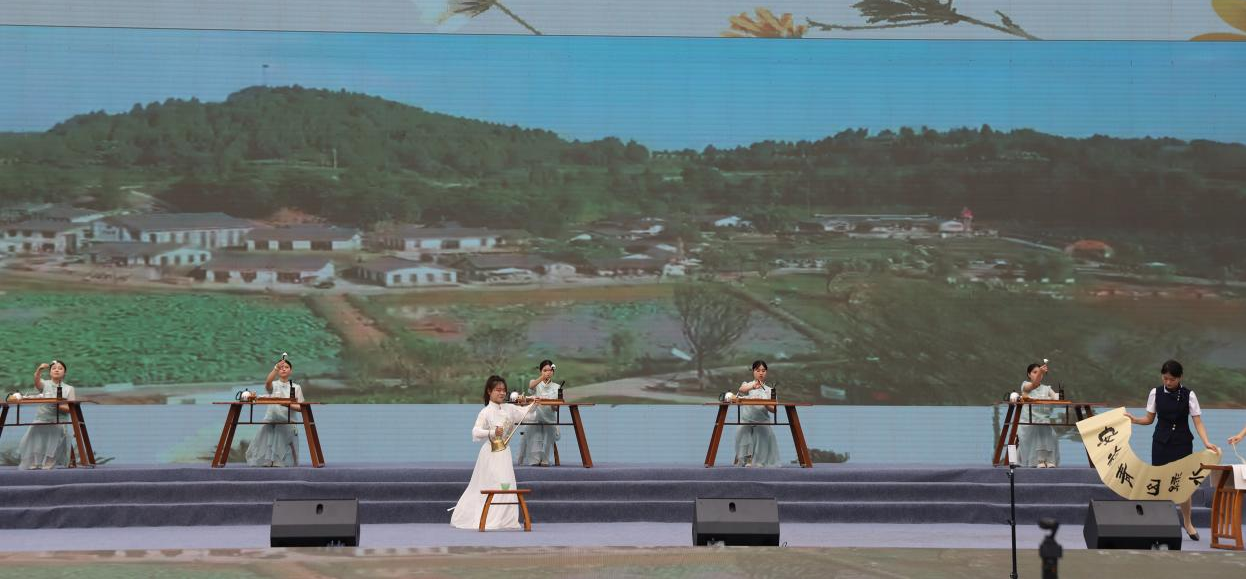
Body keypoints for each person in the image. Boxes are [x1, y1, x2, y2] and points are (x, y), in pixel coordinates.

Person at [1125, 359, 1221, 541]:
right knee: (1160, 482)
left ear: (1180, 377)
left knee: (1183, 485)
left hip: (1182, 443)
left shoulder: (1189, 395)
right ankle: (1160, 524)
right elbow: (1149, 419)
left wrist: (1206, 442)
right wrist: (1134, 420)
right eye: (1165, 378)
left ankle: (1187, 522)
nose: (1168, 382)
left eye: (1172, 379)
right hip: (1160, 443)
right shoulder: (1155, 393)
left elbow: (1198, 422)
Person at [451, 376, 534, 530]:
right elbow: (475, 432)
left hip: (504, 452)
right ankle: (489, 518)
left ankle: (504, 519)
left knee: (506, 484)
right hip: (491, 452)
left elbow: (528, 415)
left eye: (504, 390)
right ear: (489, 391)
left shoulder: (509, 408)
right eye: (498, 390)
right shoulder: (486, 412)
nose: (502, 393)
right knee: (495, 482)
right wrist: (492, 432)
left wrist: (533, 404)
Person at [246, 359, 304, 467]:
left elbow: (301, 407)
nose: (283, 369)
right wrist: (275, 368)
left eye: (286, 367)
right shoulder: (273, 385)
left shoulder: (296, 387)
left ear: (291, 371)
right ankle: (266, 460)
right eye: (281, 367)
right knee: (264, 429)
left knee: (280, 429)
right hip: (270, 419)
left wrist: (287, 405)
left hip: (288, 421)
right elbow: (268, 383)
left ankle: (279, 460)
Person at [18, 361, 76, 470]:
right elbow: (37, 381)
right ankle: (35, 461)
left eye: (60, 368)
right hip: (42, 419)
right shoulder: (45, 384)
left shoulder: (69, 388)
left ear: (65, 373)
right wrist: (39, 369)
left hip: (58, 421)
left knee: (55, 430)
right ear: (50, 372)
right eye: (54, 368)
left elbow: (71, 408)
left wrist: (58, 406)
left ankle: (50, 460)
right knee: (34, 429)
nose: (57, 370)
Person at [734, 360, 779, 467]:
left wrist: (766, 403)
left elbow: (774, 409)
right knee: (742, 431)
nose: (761, 373)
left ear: (766, 372)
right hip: (746, 419)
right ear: (753, 371)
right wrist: (753, 386)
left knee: (762, 432)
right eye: (758, 370)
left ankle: (758, 461)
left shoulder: (770, 390)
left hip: (762, 421)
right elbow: (742, 389)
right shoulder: (748, 385)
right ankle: (745, 459)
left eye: (763, 370)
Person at [517, 360, 560, 466]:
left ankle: (545, 459)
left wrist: (553, 405)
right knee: (533, 436)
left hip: (549, 418)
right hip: (536, 417)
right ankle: (534, 460)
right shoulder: (536, 383)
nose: (548, 372)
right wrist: (542, 377)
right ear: (540, 371)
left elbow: (556, 408)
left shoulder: (557, 387)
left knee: (548, 436)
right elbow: (531, 386)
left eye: (550, 370)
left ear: (553, 372)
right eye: (545, 370)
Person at [1017, 362, 1060, 468]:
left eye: (1040, 373)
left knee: (1051, 434)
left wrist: (1056, 397)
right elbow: (1034, 384)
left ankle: (1049, 460)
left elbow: (1056, 398)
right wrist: (1041, 371)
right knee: (1040, 429)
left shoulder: (1047, 388)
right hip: (1028, 422)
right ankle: (1039, 460)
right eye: (1035, 372)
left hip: (1043, 421)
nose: (1038, 374)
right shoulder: (1026, 386)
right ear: (1029, 374)